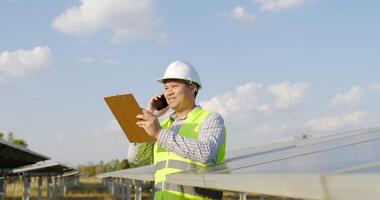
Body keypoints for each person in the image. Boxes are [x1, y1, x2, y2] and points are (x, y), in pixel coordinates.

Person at [128, 60, 226, 199]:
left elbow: (206, 153)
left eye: (174, 86)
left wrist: (158, 133)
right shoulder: (164, 125)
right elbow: (135, 157)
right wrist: (151, 114)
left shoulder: (211, 119)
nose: (168, 93)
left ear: (192, 88)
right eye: (166, 88)